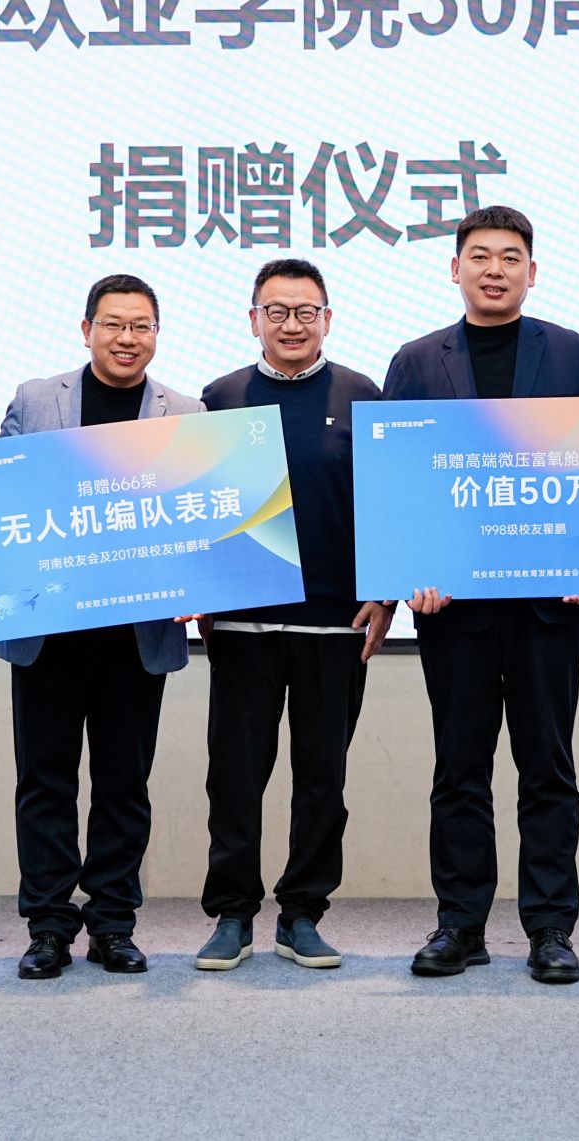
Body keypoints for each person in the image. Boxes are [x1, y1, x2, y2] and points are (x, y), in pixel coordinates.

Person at [380, 206, 579, 985]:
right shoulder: (416, 362)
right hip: (454, 608)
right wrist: (408, 571)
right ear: (455, 269)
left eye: (511, 257)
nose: (495, 269)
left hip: (550, 604)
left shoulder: (572, 352)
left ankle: (550, 928)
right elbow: (397, 486)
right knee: (459, 770)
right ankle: (461, 923)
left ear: (532, 272)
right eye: (479, 255)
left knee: (548, 769)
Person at [0, 274, 203, 979]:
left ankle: (113, 922)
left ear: (156, 334)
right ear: (86, 330)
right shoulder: (35, 399)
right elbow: (0, 498)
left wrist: (200, 582)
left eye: (141, 325)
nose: (126, 338)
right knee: (44, 782)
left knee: (123, 784)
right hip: (48, 631)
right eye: (113, 324)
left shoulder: (187, 412)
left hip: (134, 638)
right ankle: (48, 925)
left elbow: (202, 522)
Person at [189, 259, 390, 972]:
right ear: (254, 320)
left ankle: (302, 911)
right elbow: (195, 503)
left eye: (306, 311)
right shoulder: (219, 398)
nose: (292, 324)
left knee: (322, 778)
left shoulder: (364, 396)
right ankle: (232, 914)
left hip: (334, 623)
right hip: (242, 623)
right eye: (276, 311)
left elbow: (390, 504)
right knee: (235, 777)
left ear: (328, 319)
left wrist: (387, 594)